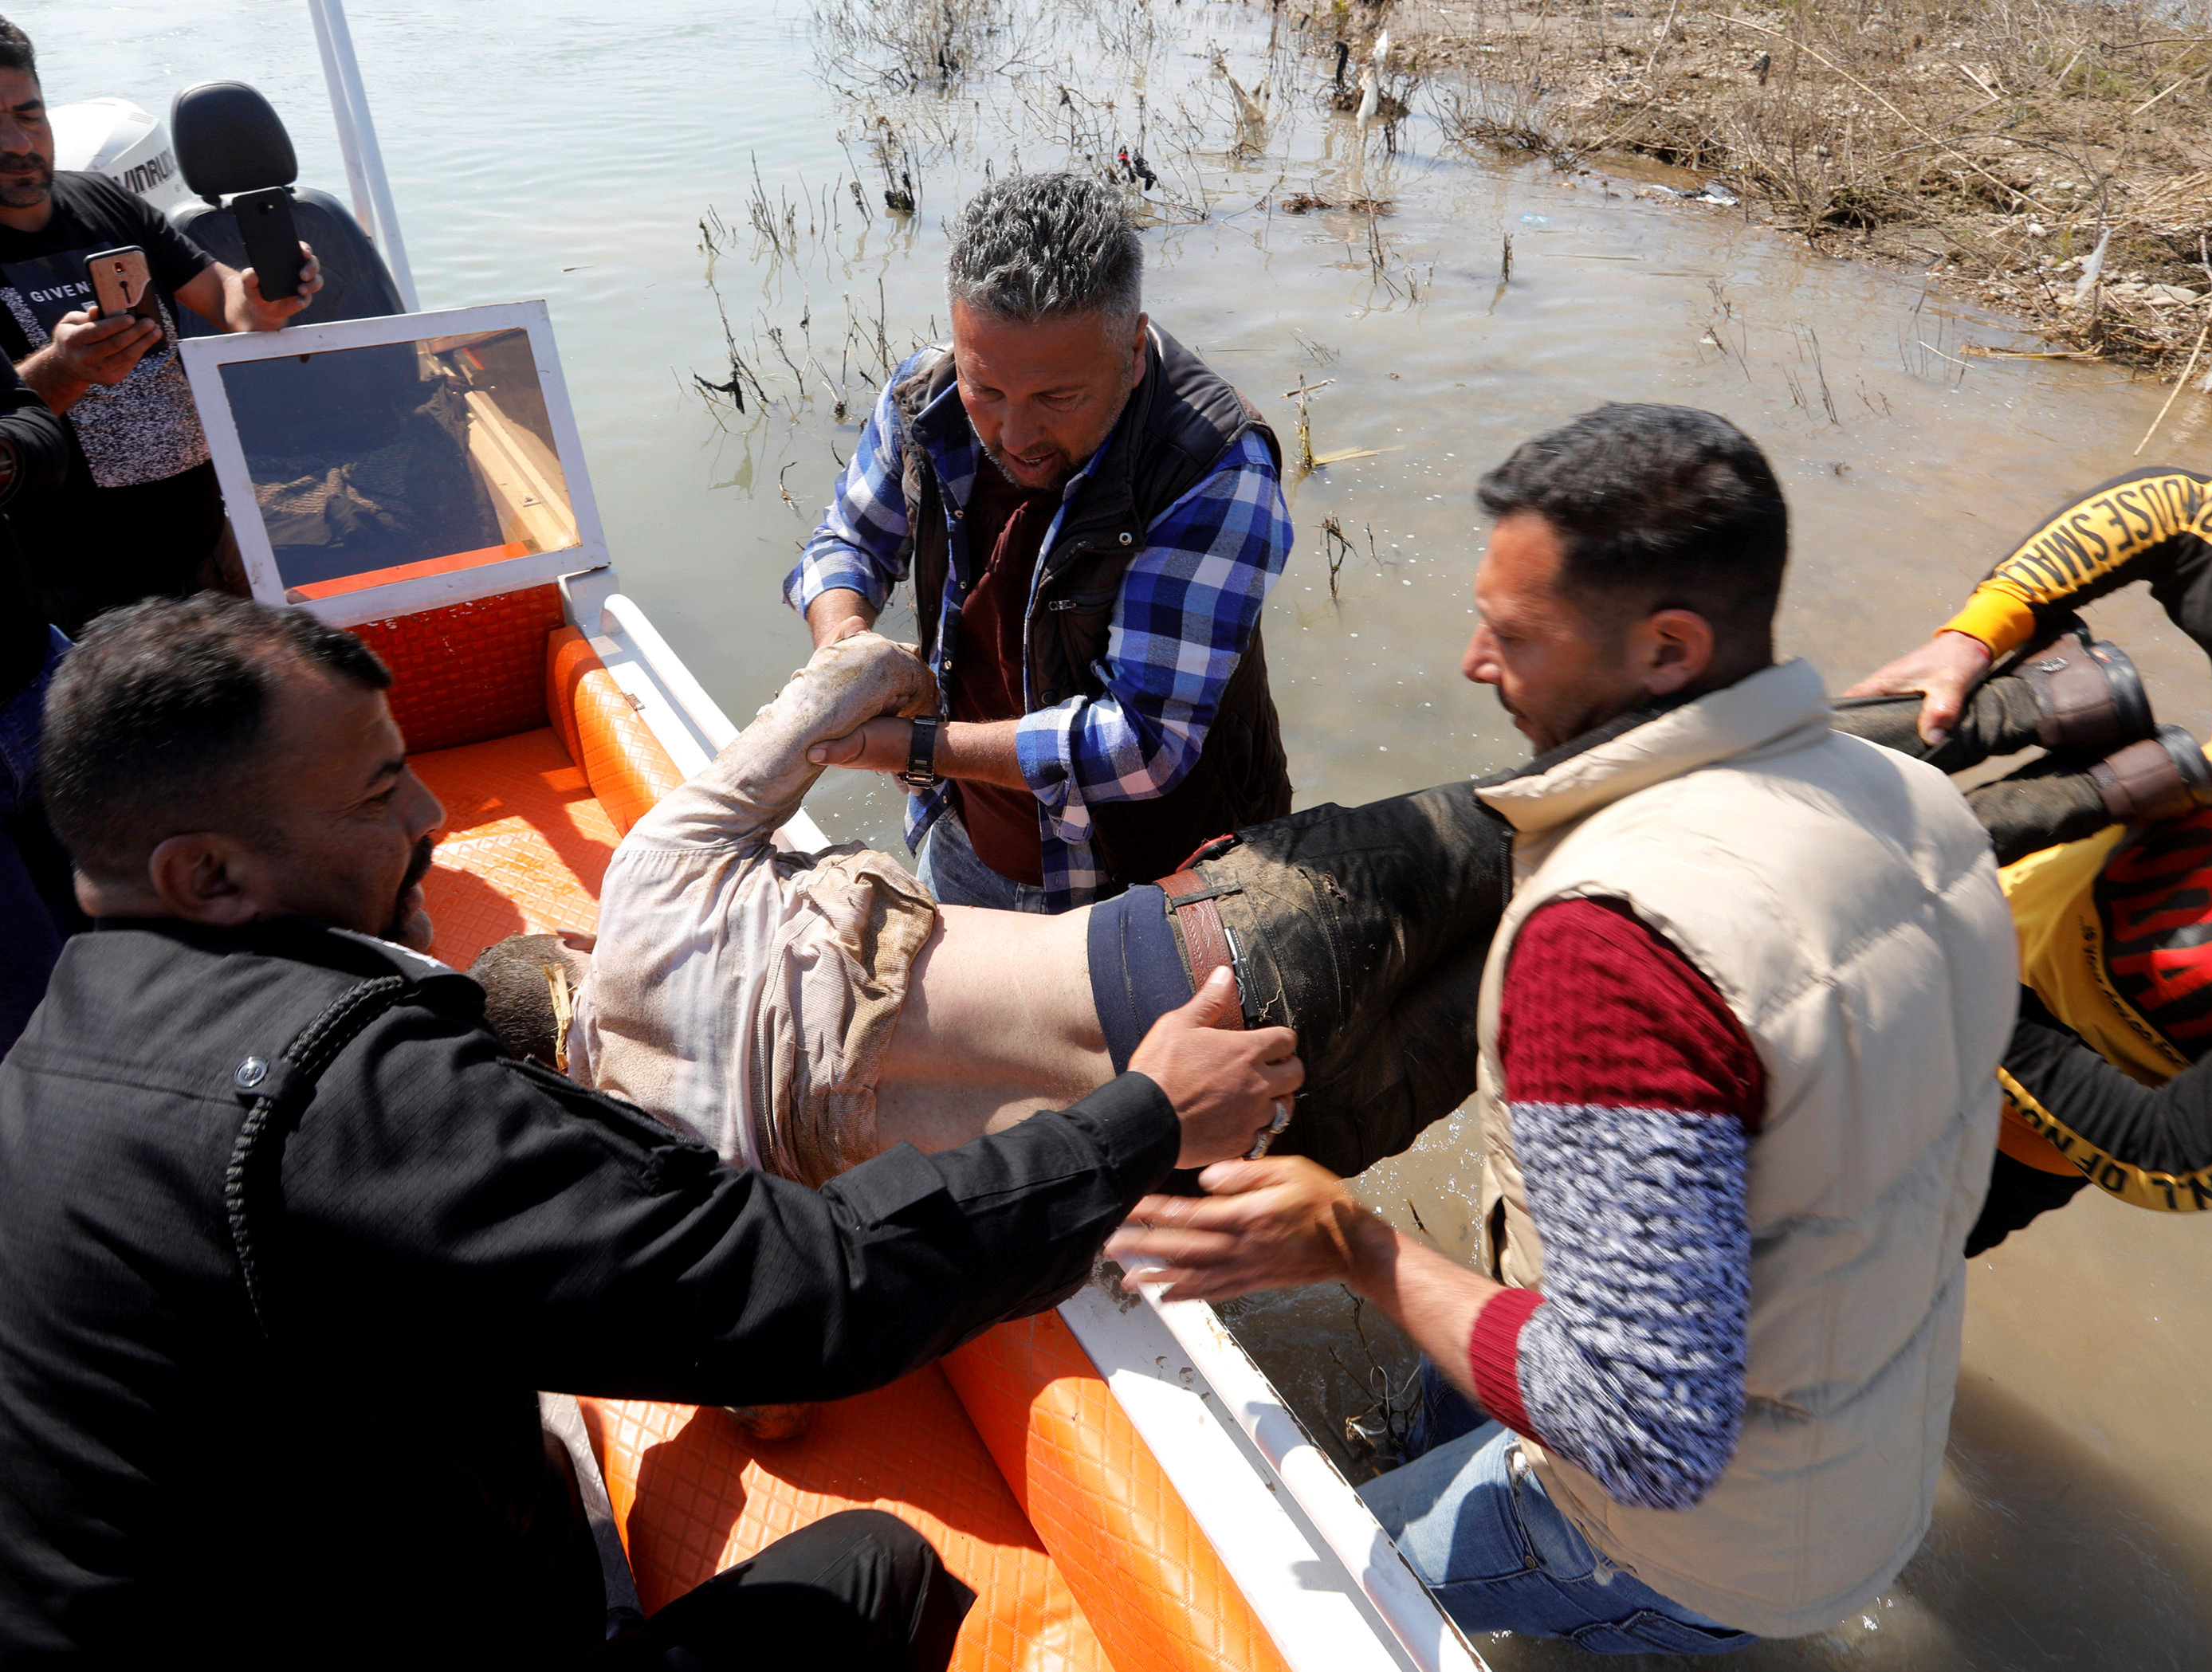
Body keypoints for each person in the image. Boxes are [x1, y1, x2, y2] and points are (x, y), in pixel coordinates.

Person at [0, 594, 1302, 1666]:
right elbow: (808, 1290)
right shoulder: (349, 1094)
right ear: (209, 874)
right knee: (878, 1571)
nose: (430, 819)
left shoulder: (42, 1063)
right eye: (378, 792)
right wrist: (1144, 1121)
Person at [1106, 405, 2021, 1654]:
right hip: (1863, 1461)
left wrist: (1352, 1242)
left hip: (1681, 1536)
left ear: (1665, 648)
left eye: (1515, 634)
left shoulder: (1614, 945)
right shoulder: (1916, 802)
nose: (1475, 662)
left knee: (1271, 1594)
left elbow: (1641, 1428)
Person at [543, 618, 1507, 1187]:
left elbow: (772, 1398)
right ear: (567, 948)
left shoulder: (675, 1170)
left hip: (1236, 1146)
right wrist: (917, 709)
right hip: (1234, 945)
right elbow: (856, 672)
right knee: (1564, 819)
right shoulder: (647, 887)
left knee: (1548, 980)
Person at [1843, 466, 2212, 1250]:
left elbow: (2160, 1154)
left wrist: (1941, 970)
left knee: (1767, 1334)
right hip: (1922, 923)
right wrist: (1976, 636)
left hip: (1994, 1131)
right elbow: (2175, 508)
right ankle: (2052, 739)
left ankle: (2081, 759)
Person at [788, 170, 1292, 912]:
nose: (1015, 436)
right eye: (986, 391)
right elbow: (848, 544)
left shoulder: (1212, 469)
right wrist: (847, 652)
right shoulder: (925, 397)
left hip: (1159, 885)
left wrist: (919, 748)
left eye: (1058, 399)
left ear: (1133, 350)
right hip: (962, 837)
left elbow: (1144, 741)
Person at [0, 18, 323, 634]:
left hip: (207, 548)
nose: (18, 142)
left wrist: (262, 299)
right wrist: (65, 371)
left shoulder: (103, 200)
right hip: (74, 596)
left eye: (29, 113)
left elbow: (227, 299)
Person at [0, 347, 72, 1053]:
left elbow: (25, 413)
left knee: (156, 951)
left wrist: (3, 453)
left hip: (41, 688)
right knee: (27, 1023)